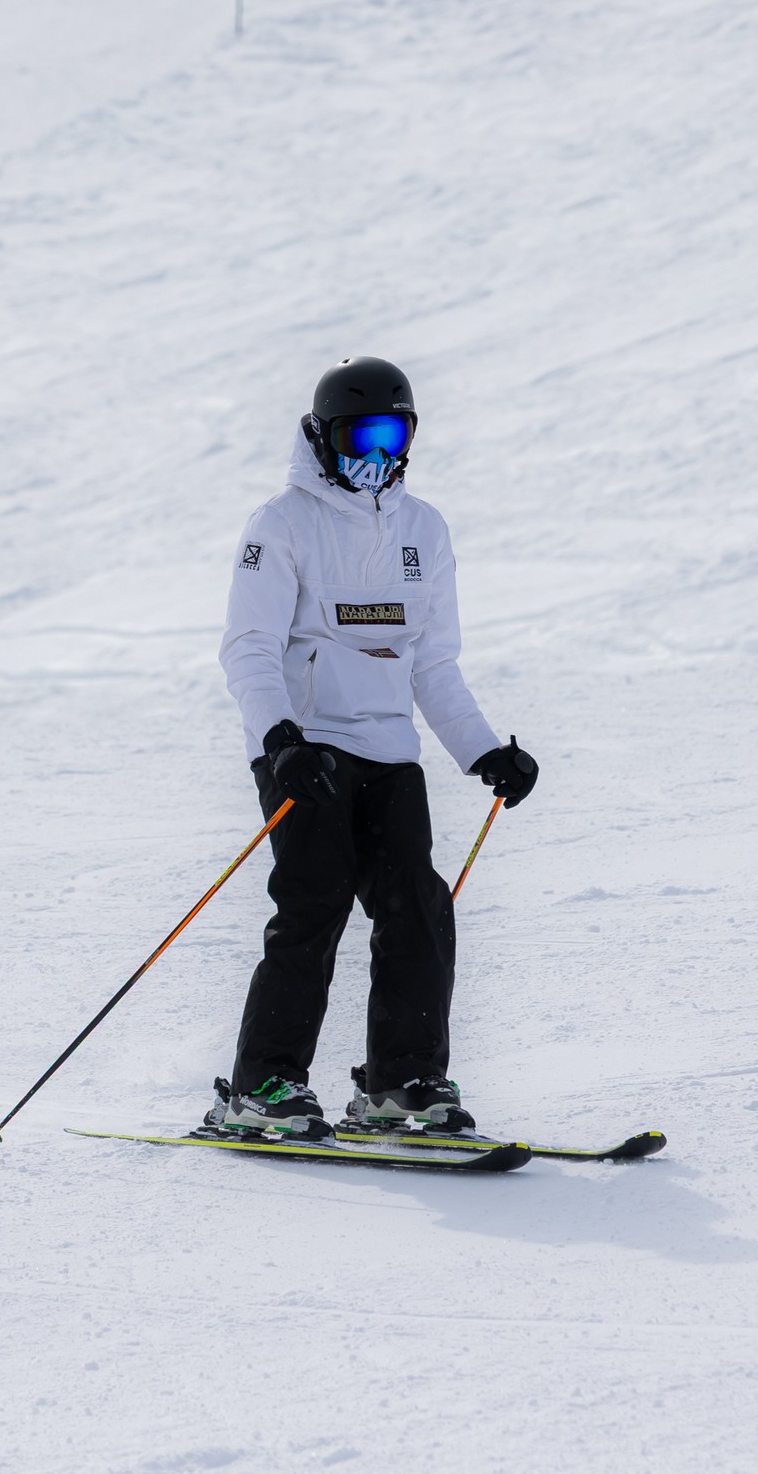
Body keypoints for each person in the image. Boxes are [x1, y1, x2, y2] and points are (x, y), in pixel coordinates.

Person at [209, 357, 538, 1139]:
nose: (377, 455)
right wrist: (280, 739)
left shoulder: (424, 530)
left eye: (394, 434)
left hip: (389, 752)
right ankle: (264, 1085)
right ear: (323, 437)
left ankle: (403, 1084)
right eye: (361, 436)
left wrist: (483, 751)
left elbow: (433, 664)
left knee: (417, 906)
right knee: (314, 900)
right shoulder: (281, 525)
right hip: (306, 750)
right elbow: (249, 649)